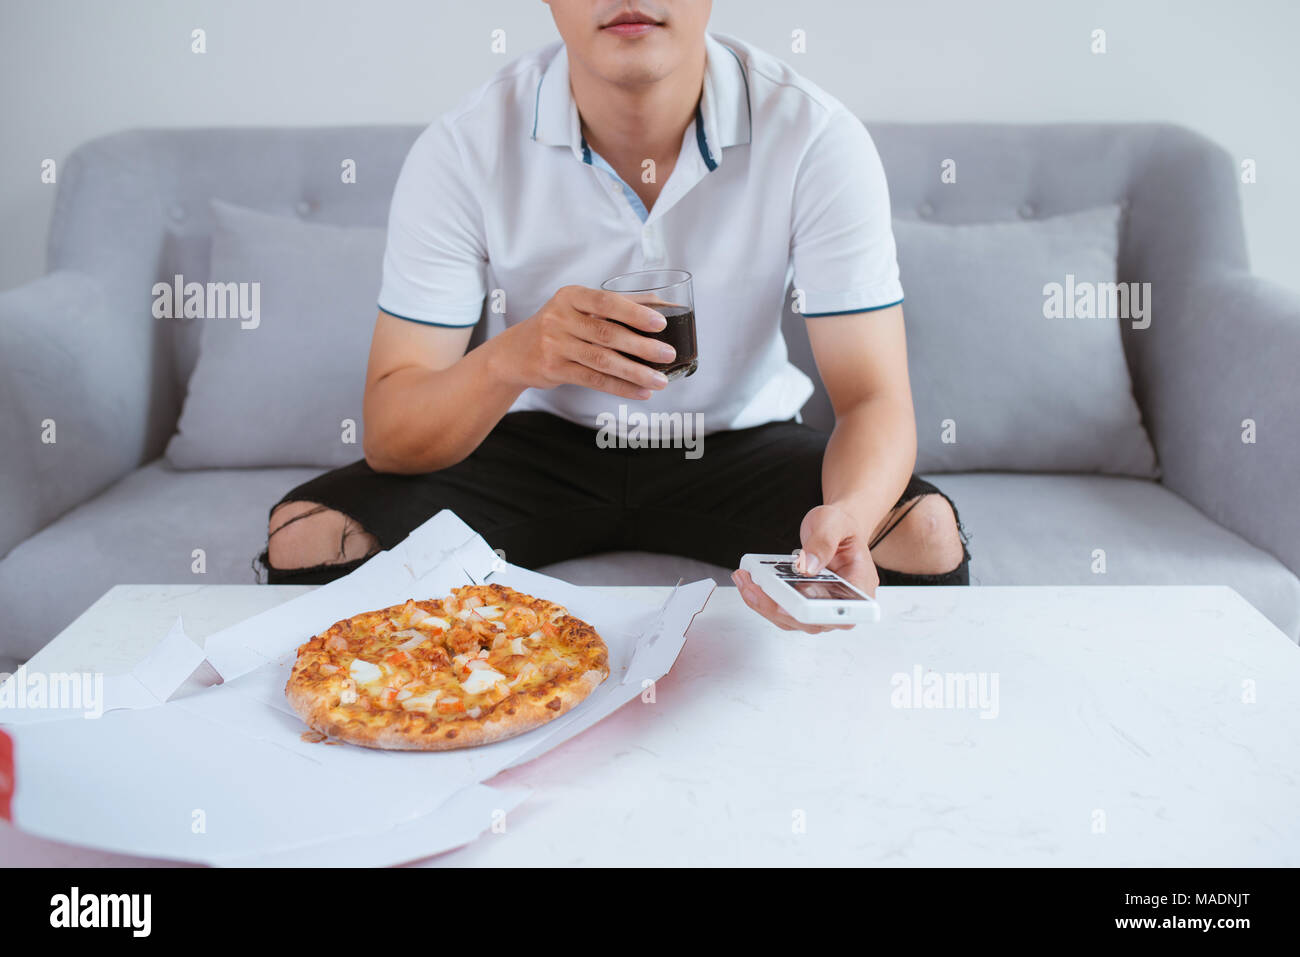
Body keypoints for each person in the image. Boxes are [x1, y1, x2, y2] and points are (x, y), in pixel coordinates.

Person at [260, 0, 970, 634]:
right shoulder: (464, 145)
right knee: (309, 535)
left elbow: (875, 397)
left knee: (924, 534)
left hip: (734, 445)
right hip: (541, 447)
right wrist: (516, 355)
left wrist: (847, 514)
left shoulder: (814, 135)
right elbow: (390, 429)